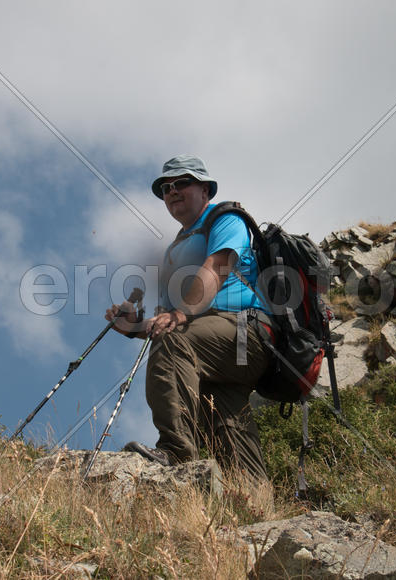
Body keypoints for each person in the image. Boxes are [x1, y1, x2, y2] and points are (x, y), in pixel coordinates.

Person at [105, 154, 272, 481]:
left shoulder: (225, 218)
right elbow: (166, 319)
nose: (172, 191)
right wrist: (133, 327)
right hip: (212, 348)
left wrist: (181, 313)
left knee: (175, 340)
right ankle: (255, 504)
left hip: (244, 333)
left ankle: (176, 452)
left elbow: (218, 267)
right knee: (226, 425)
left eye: (182, 183)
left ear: (205, 191)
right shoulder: (173, 251)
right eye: (166, 188)